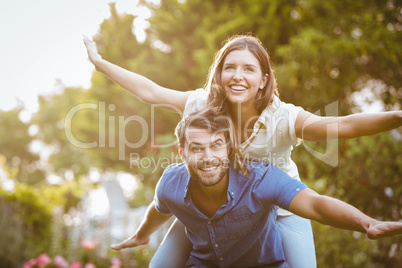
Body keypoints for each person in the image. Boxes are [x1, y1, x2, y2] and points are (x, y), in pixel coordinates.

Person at [83, 34, 402, 267]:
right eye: (230, 68)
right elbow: (150, 91)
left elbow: (343, 126)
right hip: (213, 207)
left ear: (264, 80)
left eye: (248, 69)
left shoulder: (284, 117)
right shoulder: (200, 104)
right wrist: (100, 64)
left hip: (281, 208)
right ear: (219, 75)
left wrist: (397, 116)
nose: (238, 76)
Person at [110, 110, 402, 268]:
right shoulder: (171, 182)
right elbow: (159, 209)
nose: (208, 156)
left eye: (216, 145)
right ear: (182, 152)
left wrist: (366, 222)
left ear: (228, 148)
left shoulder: (261, 179)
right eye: (197, 148)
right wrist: (141, 235)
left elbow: (315, 205)